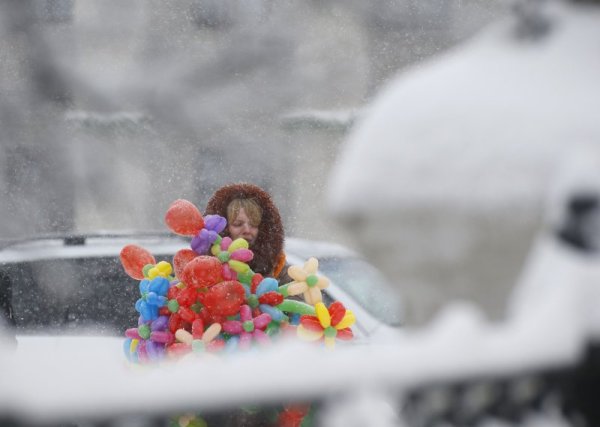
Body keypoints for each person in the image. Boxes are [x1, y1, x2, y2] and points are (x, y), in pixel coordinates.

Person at [204, 183, 289, 282]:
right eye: (238, 224)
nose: (247, 230)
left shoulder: (280, 268)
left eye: (253, 224)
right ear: (223, 229)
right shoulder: (202, 267)